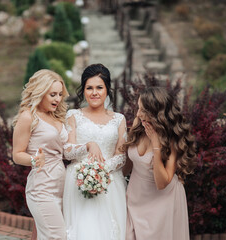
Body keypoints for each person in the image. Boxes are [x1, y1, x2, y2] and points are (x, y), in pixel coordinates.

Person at [62, 63, 127, 240]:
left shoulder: (119, 120)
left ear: (107, 89)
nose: (94, 92)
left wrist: (100, 171)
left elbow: (121, 156)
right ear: (83, 91)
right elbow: (67, 152)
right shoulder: (73, 115)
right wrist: (88, 146)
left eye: (99, 87)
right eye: (89, 88)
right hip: (78, 181)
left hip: (110, 184)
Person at [122, 87, 196, 240]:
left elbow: (162, 183)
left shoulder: (171, 138)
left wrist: (156, 146)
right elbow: (128, 165)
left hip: (162, 201)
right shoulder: (139, 125)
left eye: (143, 110)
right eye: (138, 108)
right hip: (136, 197)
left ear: (156, 112)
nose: (138, 114)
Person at [12, 69, 69, 240]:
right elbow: (16, 154)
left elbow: (66, 150)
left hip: (62, 188)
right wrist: (34, 160)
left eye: (60, 94)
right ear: (41, 92)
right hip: (41, 189)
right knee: (58, 236)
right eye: (52, 94)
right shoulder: (28, 117)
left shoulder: (57, 117)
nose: (57, 99)